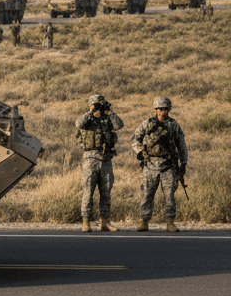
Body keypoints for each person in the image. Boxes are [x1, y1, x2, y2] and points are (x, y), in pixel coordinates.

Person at [131, 97, 188, 232]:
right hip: (150, 165)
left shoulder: (173, 125)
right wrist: (140, 152)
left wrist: (183, 162)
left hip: (168, 165)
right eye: (160, 109)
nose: (162, 111)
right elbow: (135, 139)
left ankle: (170, 222)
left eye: (165, 109)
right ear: (156, 109)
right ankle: (144, 221)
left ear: (169, 110)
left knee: (169, 196)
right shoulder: (147, 123)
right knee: (147, 194)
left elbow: (181, 145)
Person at [75, 94, 123, 232]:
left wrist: (110, 112)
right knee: (88, 191)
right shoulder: (87, 120)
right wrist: (90, 112)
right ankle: (86, 222)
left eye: (99, 105)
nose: (98, 108)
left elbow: (119, 125)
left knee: (106, 192)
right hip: (90, 159)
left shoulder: (107, 119)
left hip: (106, 159)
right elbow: (78, 124)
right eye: (95, 105)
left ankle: (105, 222)